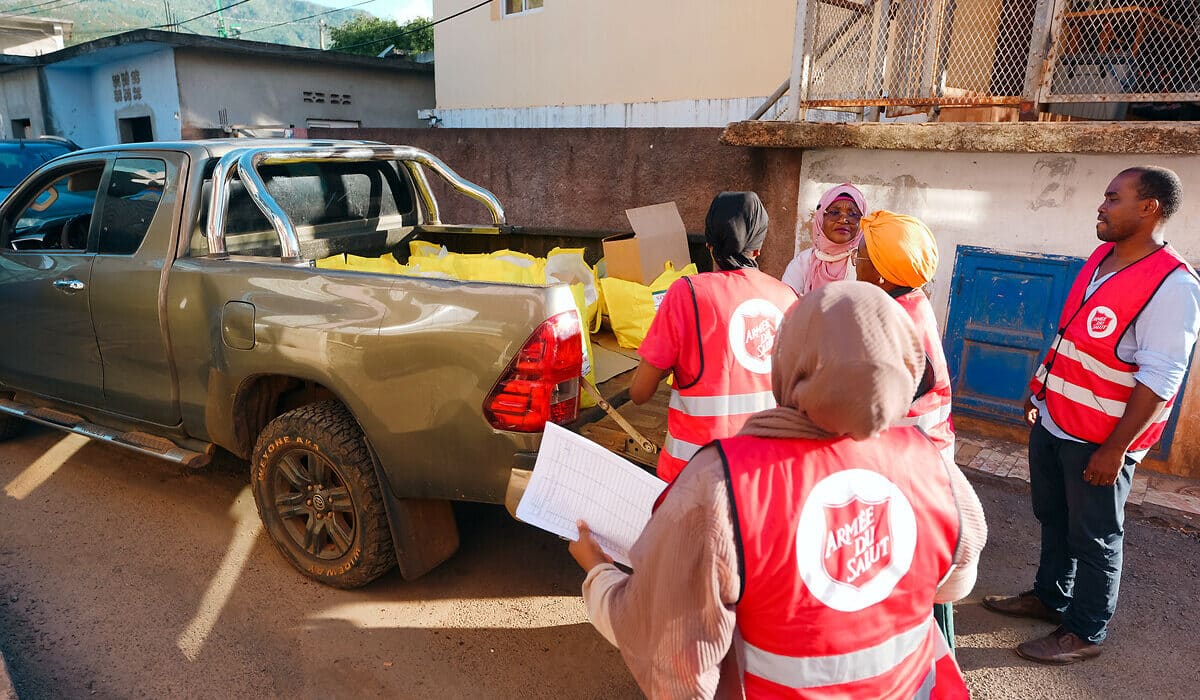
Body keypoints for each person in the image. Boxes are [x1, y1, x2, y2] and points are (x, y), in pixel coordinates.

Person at [571, 282, 987, 698]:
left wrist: (599, 574)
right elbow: (953, 584)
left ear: (788, 360)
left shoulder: (721, 486)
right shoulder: (934, 465)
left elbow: (671, 654)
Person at [983, 166, 1200, 664]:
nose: (1100, 206)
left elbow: (1160, 379)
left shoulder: (1173, 286)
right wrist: (1038, 388)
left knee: (1096, 536)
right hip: (1057, 420)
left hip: (1101, 441)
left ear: (1149, 208)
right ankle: (1049, 597)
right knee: (1053, 516)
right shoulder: (1102, 258)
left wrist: (1115, 449)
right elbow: (1074, 337)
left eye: (1112, 197)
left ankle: (1084, 631)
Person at [630, 191, 798, 483]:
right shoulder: (787, 297)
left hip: (690, 478)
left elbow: (639, 394)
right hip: (760, 475)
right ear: (758, 248)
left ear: (708, 243)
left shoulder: (686, 293)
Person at [853, 210, 959, 652]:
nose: (853, 259)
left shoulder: (894, 326)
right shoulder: (911, 302)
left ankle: (934, 671)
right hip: (926, 462)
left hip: (912, 475)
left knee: (917, 589)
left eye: (861, 254)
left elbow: (871, 409)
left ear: (880, 272)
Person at [781, 183, 866, 295]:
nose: (843, 220)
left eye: (853, 214)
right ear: (821, 218)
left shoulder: (864, 264)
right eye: (834, 212)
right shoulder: (803, 261)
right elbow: (786, 300)